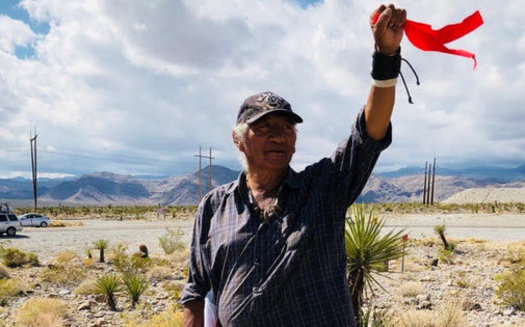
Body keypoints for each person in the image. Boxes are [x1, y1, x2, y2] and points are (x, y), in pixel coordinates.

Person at [181, 4, 406, 327]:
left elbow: (368, 134)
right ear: (238, 140)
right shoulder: (214, 207)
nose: (278, 137)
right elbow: (196, 290)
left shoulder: (324, 187)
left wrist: (386, 57)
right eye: (265, 128)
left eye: (287, 129)